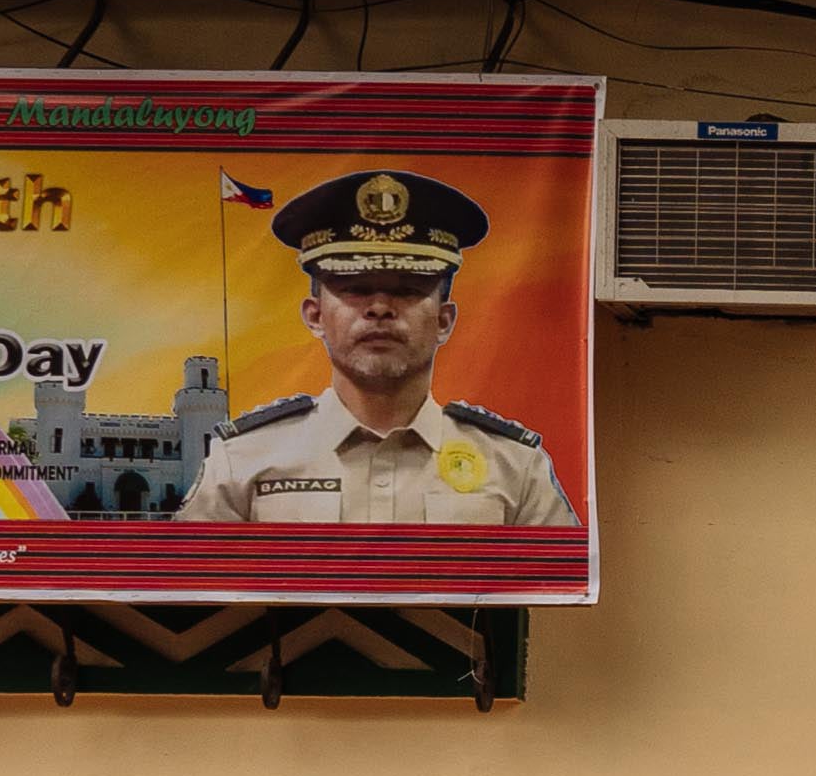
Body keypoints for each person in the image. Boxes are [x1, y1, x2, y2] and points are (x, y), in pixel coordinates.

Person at [177, 169, 575, 526]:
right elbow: (182, 594)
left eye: (407, 290)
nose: (380, 308)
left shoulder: (515, 469)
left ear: (443, 320)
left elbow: (563, 599)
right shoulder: (243, 460)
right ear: (315, 316)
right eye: (355, 289)